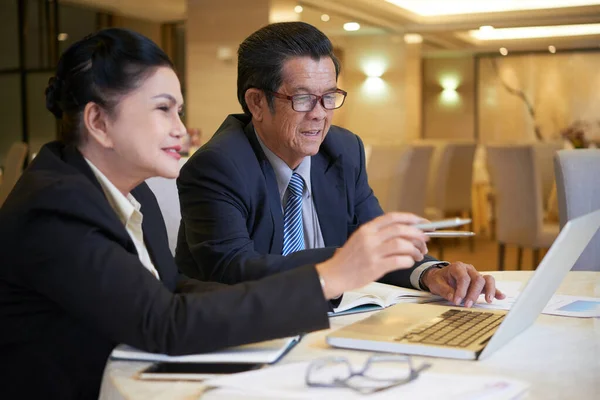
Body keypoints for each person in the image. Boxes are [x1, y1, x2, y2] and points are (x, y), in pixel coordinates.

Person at [0, 28, 432, 399]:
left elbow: (173, 290)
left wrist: (307, 299)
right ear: (98, 122)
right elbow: (165, 322)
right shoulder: (57, 208)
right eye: (162, 109)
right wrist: (329, 277)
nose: (181, 130)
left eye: (179, 110)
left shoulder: (133, 194)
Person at [176, 22, 504, 306]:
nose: (320, 113)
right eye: (302, 98)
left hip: (333, 324)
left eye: (329, 96)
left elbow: (373, 241)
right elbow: (232, 269)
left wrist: (431, 273)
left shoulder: (343, 150)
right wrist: (343, 263)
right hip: (245, 335)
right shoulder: (217, 166)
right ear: (257, 102)